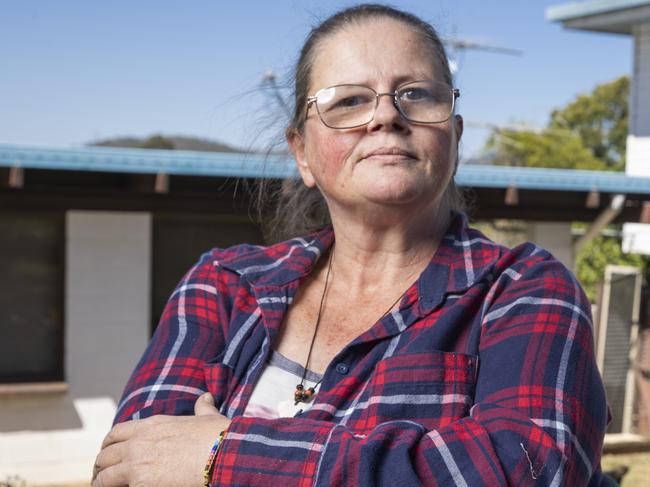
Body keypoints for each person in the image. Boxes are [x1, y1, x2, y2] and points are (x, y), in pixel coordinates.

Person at [92, 4, 610, 486]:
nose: (386, 116)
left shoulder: (524, 289)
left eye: (416, 94)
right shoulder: (225, 286)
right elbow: (132, 464)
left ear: (452, 136)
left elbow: (529, 467)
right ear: (303, 153)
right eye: (349, 100)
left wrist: (224, 453)